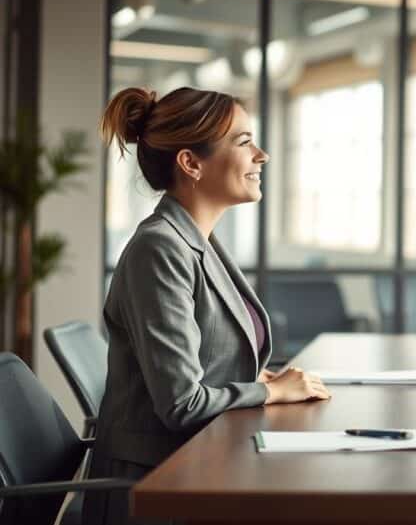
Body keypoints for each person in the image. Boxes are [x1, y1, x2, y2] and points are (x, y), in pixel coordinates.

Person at [84, 87, 331, 525]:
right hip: (160, 486)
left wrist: (252, 375)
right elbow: (182, 404)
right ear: (191, 163)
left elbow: (200, 356)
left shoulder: (195, 240)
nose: (262, 155)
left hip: (203, 462)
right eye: (243, 141)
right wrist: (271, 392)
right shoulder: (160, 249)